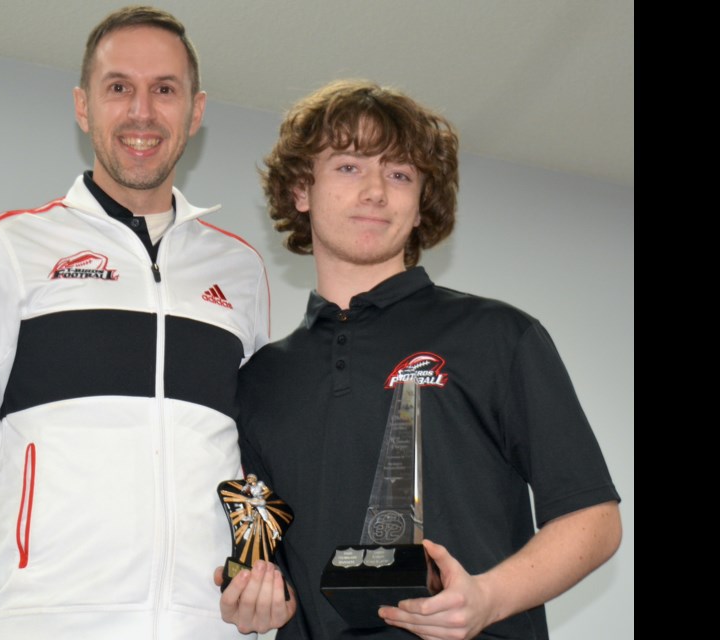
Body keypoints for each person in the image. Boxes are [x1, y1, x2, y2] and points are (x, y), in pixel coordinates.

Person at [0, 6, 288, 638]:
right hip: (46, 621)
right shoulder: (9, 247)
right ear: (83, 106)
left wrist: (262, 575)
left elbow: (254, 462)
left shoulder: (239, 269)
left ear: (195, 111)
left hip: (207, 625)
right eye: (119, 88)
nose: (142, 111)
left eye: (165, 89)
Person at [237, 80, 622, 640]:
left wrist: (487, 599)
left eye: (399, 174)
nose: (375, 191)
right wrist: (256, 597)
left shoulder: (498, 335)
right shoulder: (258, 381)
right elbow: (259, 552)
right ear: (302, 189)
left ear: (419, 206)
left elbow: (595, 520)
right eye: (348, 167)